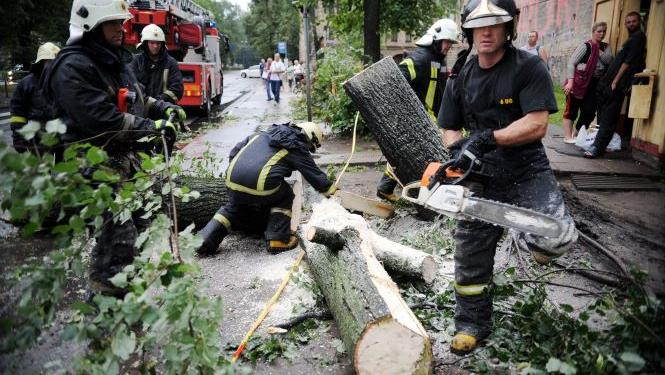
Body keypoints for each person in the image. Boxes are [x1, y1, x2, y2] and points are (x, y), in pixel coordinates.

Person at [437, 0, 577, 354]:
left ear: (508, 27)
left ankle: (538, 243)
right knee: (470, 253)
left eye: (494, 24)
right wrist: (458, 153)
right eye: (478, 25)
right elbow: (449, 127)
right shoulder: (461, 74)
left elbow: (537, 123)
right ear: (468, 30)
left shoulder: (527, 67)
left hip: (526, 168)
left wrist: (488, 138)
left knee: (555, 239)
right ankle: (470, 323)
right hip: (481, 174)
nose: (486, 32)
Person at [43, 0, 187, 297]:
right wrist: (151, 128)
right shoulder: (72, 67)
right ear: (90, 25)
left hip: (119, 161)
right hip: (90, 167)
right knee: (118, 235)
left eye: (121, 23)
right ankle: (108, 308)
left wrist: (162, 107)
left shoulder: (111, 59)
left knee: (140, 224)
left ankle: (123, 289)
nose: (121, 29)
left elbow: (135, 98)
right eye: (112, 23)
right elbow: (101, 118)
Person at [195, 122, 337, 255]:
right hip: (260, 185)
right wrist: (332, 191)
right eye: (310, 147)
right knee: (285, 194)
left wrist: (240, 175)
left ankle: (204, 240)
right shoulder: (296, 146)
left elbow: (234, 152)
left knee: (234, 207)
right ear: (309, 139)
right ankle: (278, 239)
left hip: (232, 179)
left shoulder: (261, 134)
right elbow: (314, 174)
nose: (309, 150)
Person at [376, 18, 459, 202]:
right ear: (436, 39)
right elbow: (397, 79)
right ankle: (421, 194)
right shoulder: (420, 58)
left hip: (428, 117)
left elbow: (439, 90)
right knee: (420, 154)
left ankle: (388, 187)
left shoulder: (437, 60)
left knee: (407, 153)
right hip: (416, 118)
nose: (449, 47)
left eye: (451, 43)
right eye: (447, 42)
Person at [585, 12, 646, 158]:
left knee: (609, 117)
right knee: (602, 115)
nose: (631, 24)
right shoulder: (631, 39)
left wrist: (615, 81)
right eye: (628, 22)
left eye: (634, 21)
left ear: (639, 22)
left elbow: (628, 62)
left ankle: (597, 148)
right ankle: (599, 144)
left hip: (617, 84)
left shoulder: (639, 37)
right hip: (607, 82)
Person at [562, 22, 613, 143]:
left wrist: (598, 48)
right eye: (599, 31)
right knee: (572, 109)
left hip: (594, 83)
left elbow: (609, 60)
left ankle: (577, 134)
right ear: (593, 31)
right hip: (578, 81)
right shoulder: (586, 46)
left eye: (604, 31)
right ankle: (567, 136)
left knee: (589, 111)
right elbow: (571, 63)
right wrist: (570, 83)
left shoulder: (605, 47)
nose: (601, 34)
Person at [10, 42, 60, 153]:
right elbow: (18, 114)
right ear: (42, 62)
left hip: (62, 137)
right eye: (50, 61)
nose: (53, 65)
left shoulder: (62, 80)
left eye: (56, 62)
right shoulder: (26, 84)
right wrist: (19, 139)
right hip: (38, 139)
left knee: (66, 169)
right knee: (41, 169)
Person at [130, 23, 184, 104]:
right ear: (145, 44)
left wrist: (158, 102)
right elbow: (130, 85)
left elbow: (177, 89)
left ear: (162, 44)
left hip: (163, 110)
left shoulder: (170, 63)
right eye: (152, 43)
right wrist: (146, 102)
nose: (155, 46)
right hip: (141, 110)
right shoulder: (136, 61)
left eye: (158, 43)